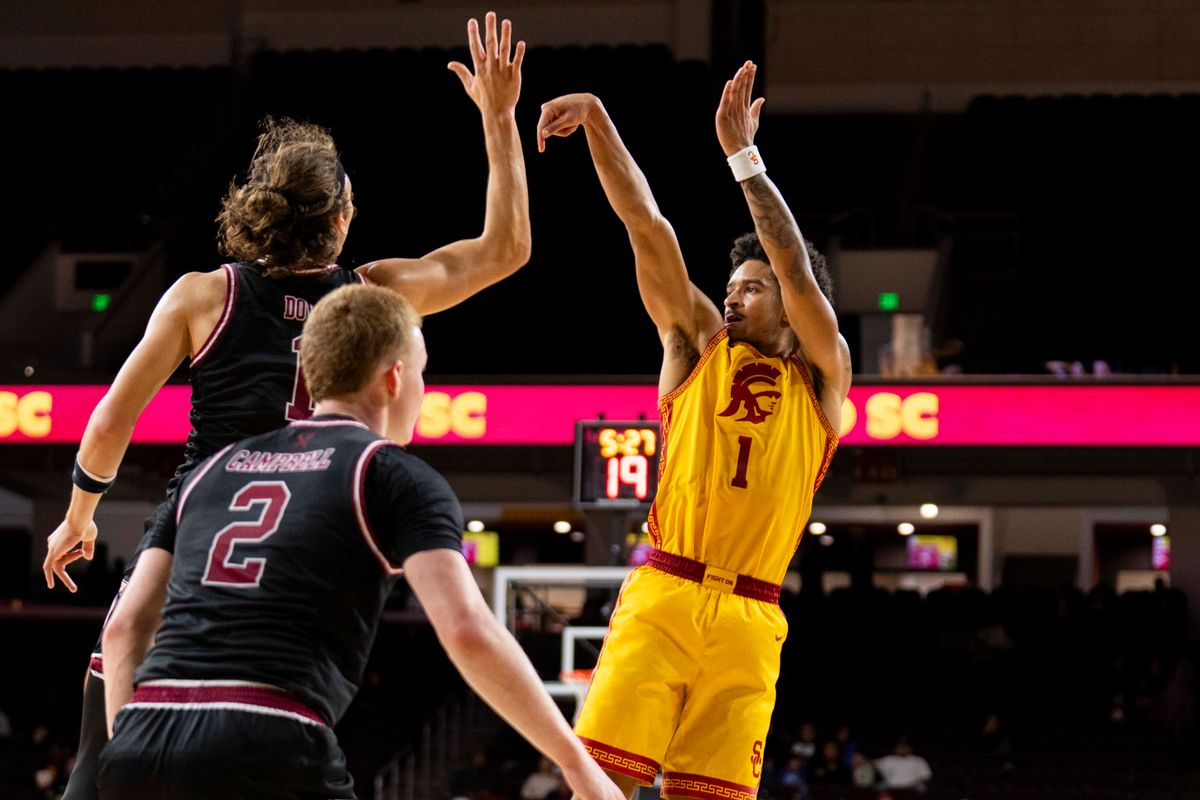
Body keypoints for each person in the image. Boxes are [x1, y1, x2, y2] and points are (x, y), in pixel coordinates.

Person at [44, 12, 531, 799]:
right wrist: (499, 121)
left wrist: (78, 514)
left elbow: (110, 420)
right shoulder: (373, 293)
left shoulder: (205, 296)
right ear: (342, 217)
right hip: (310, 541)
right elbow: (505, 248)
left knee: (104, 756)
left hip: (200, 535)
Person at [97, 285, 622, 800]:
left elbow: (123, 628)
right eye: (421, 371)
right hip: (268, 736)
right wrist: (578, 765)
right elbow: (467, 631)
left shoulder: (210, 469)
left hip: (142, 736)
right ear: (395, 377)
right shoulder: (389, 472)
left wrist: (131, 753)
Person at [536, 61, 851, 800]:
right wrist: (599, 122)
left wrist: (744, 159)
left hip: (752, 615)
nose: (734, 296)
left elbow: (797, 268)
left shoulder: (823, 377)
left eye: (753, 285)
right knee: (597, 785)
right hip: (666, 592)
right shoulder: (695, 342)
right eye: (731, 284)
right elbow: (646, 224)